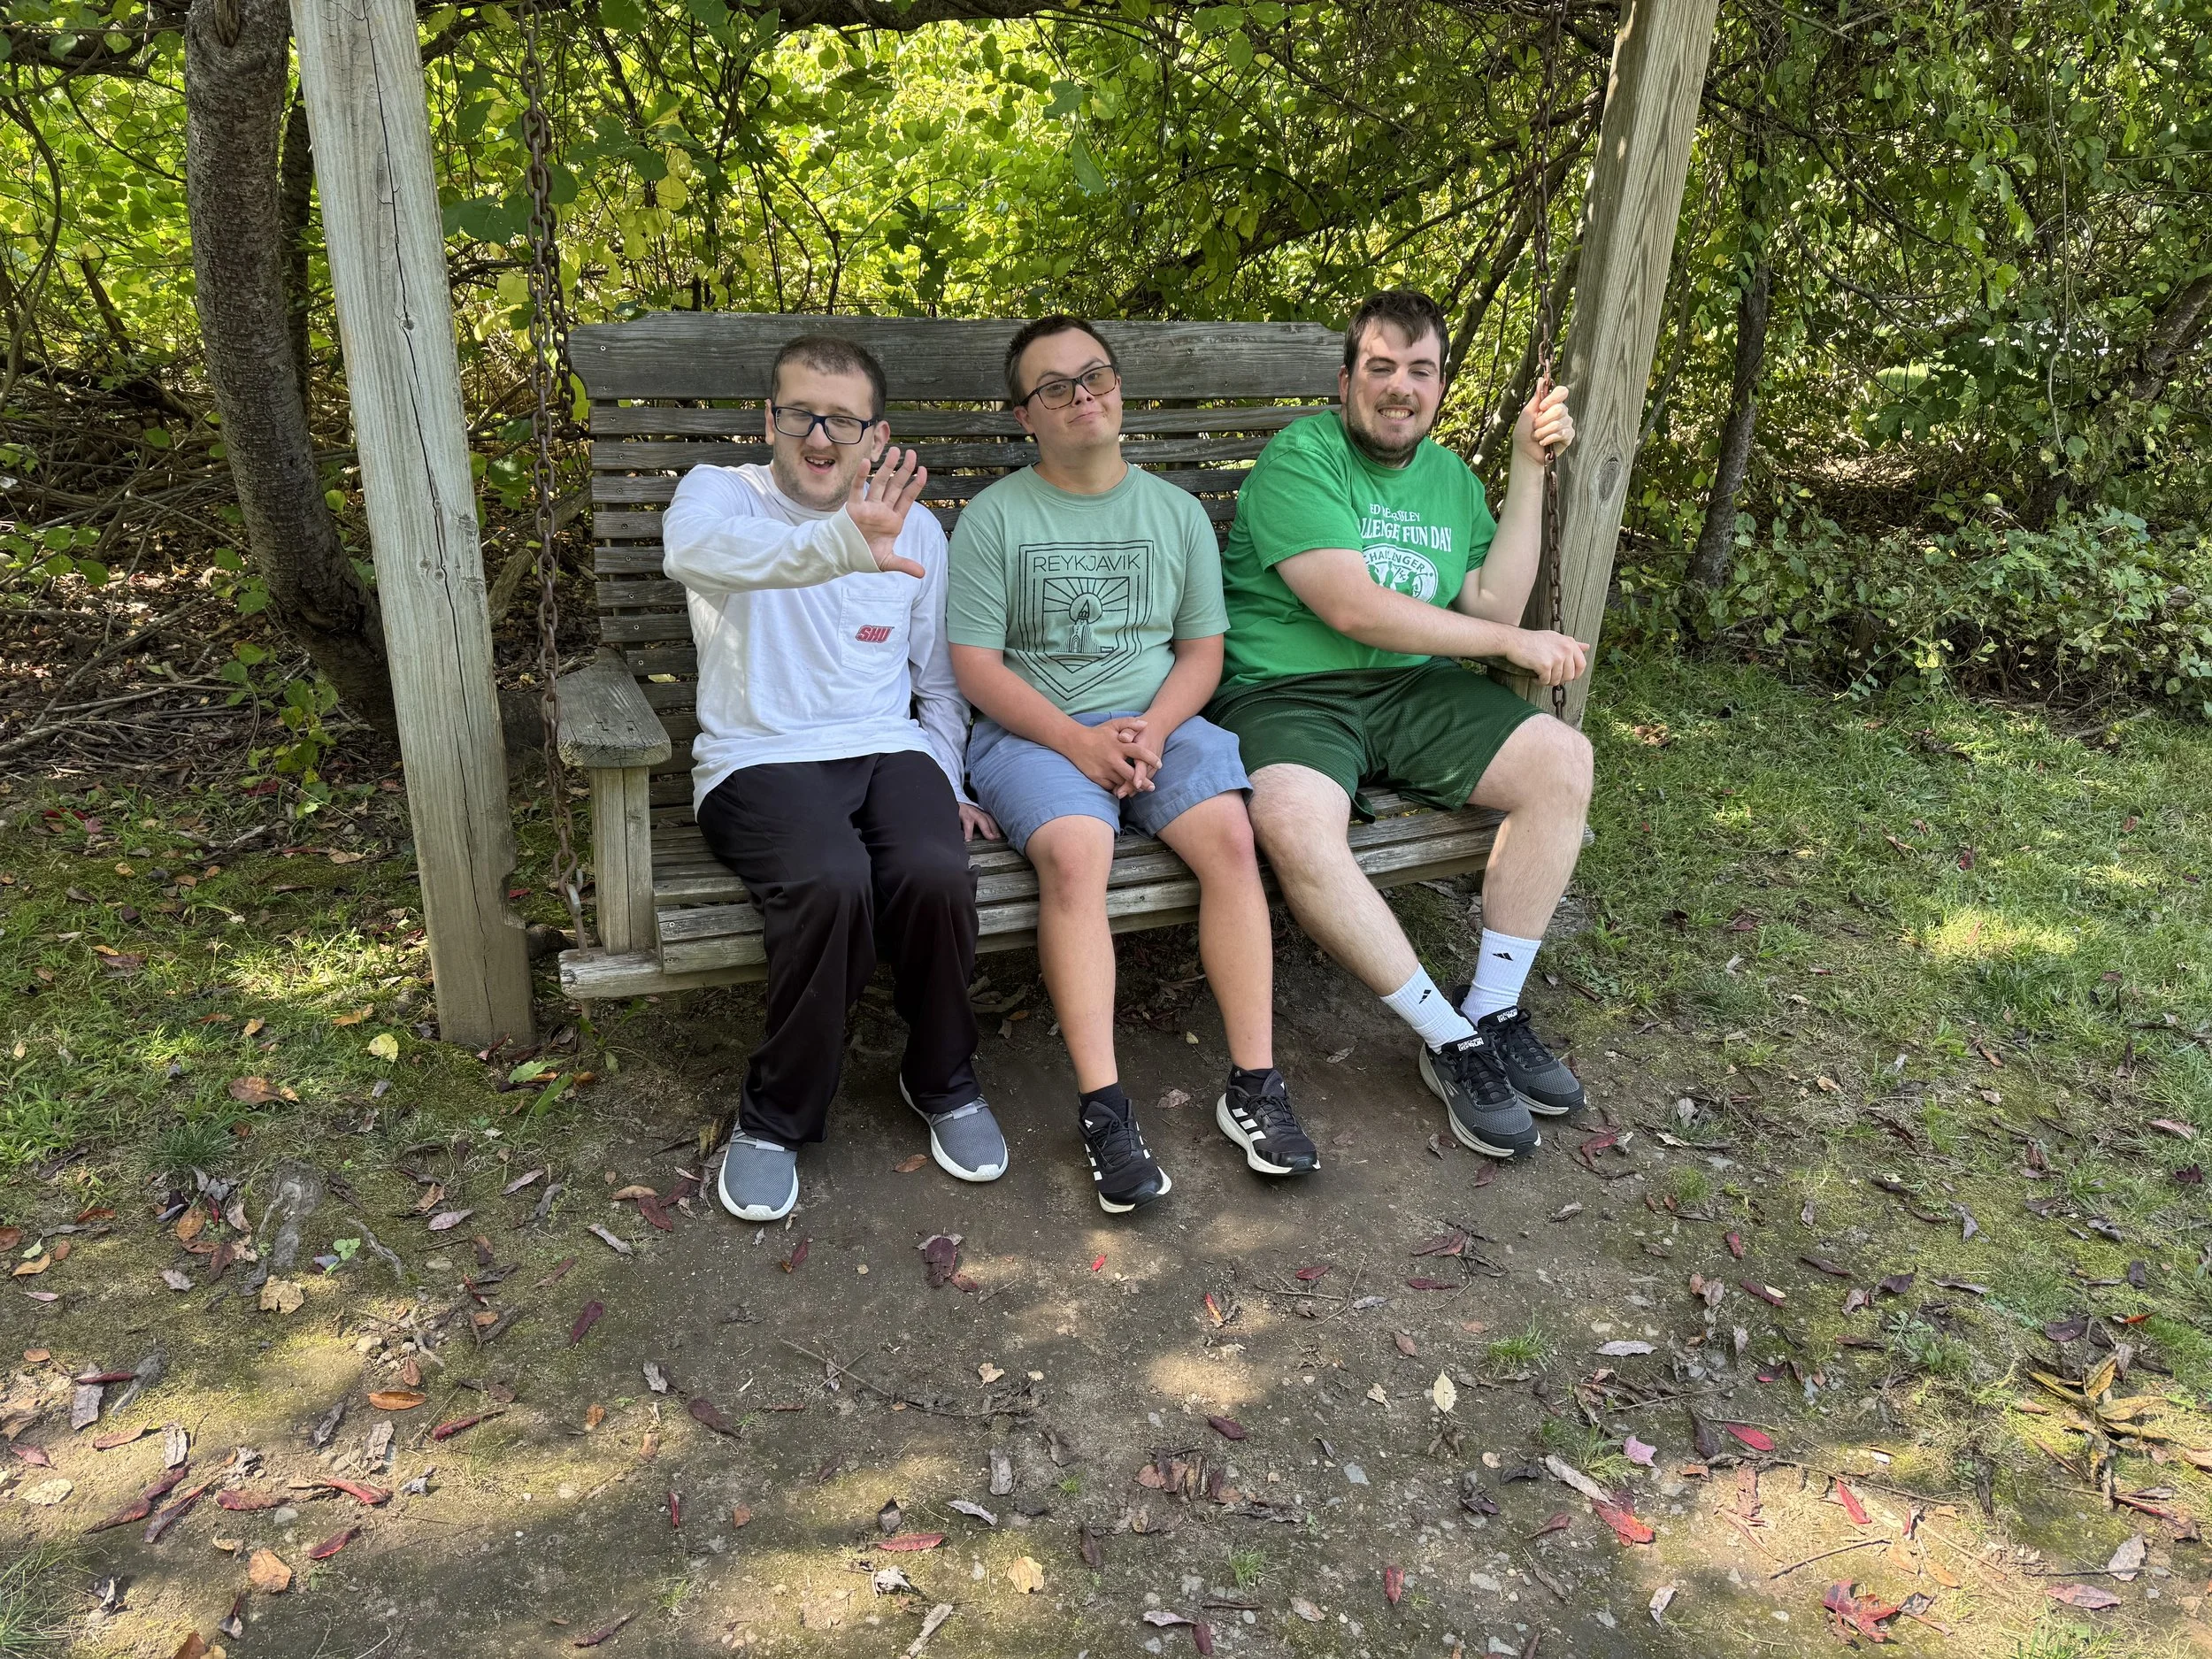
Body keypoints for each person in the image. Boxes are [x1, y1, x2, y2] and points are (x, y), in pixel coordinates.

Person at [1209, 288, 1589, 1162]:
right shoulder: (1298, 457)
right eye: (1380, 367)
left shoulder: (1451, 479)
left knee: (1560, 762)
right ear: (1346, 380)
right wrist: (1510, 644)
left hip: (1409, 693)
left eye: (1419, 371)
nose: (1399, 387)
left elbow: (1493, 596)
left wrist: (1528, 471)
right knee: (1295, 825)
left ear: (1440, 386)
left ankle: (1491, 1010)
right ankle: (1447, 1038)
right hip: (1286, 692)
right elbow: (1354, 608)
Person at [948, 315, 1316, 1214]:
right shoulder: (996, 518)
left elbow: (1200, 651)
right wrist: (1077, 743)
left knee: (1231, 836)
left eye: (1095, 376)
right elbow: (975, 667)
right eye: (1055, 387)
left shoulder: (1174, 512)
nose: (1083, 396)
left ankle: (1254, 1085)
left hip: (1159, 721)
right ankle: (1105, 1107)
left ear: (1119, 388)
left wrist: (1151, 727)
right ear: (1022, 416)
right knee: (1078, 853)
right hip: (1035, 731)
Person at [662, 334, 1006, 1224]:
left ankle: (942, 1078)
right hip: (757, 754)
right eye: (801, 414)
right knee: (830, 880)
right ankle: (777, 1114)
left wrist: (948, 779)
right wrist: (841, 544)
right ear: (767, 420)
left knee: (934, 873)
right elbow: (697, 559)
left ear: (874, 433)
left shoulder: (917, 526)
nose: (821, 434)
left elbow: (934, 677)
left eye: (843, 419)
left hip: (886, 749)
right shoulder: (719, 496)